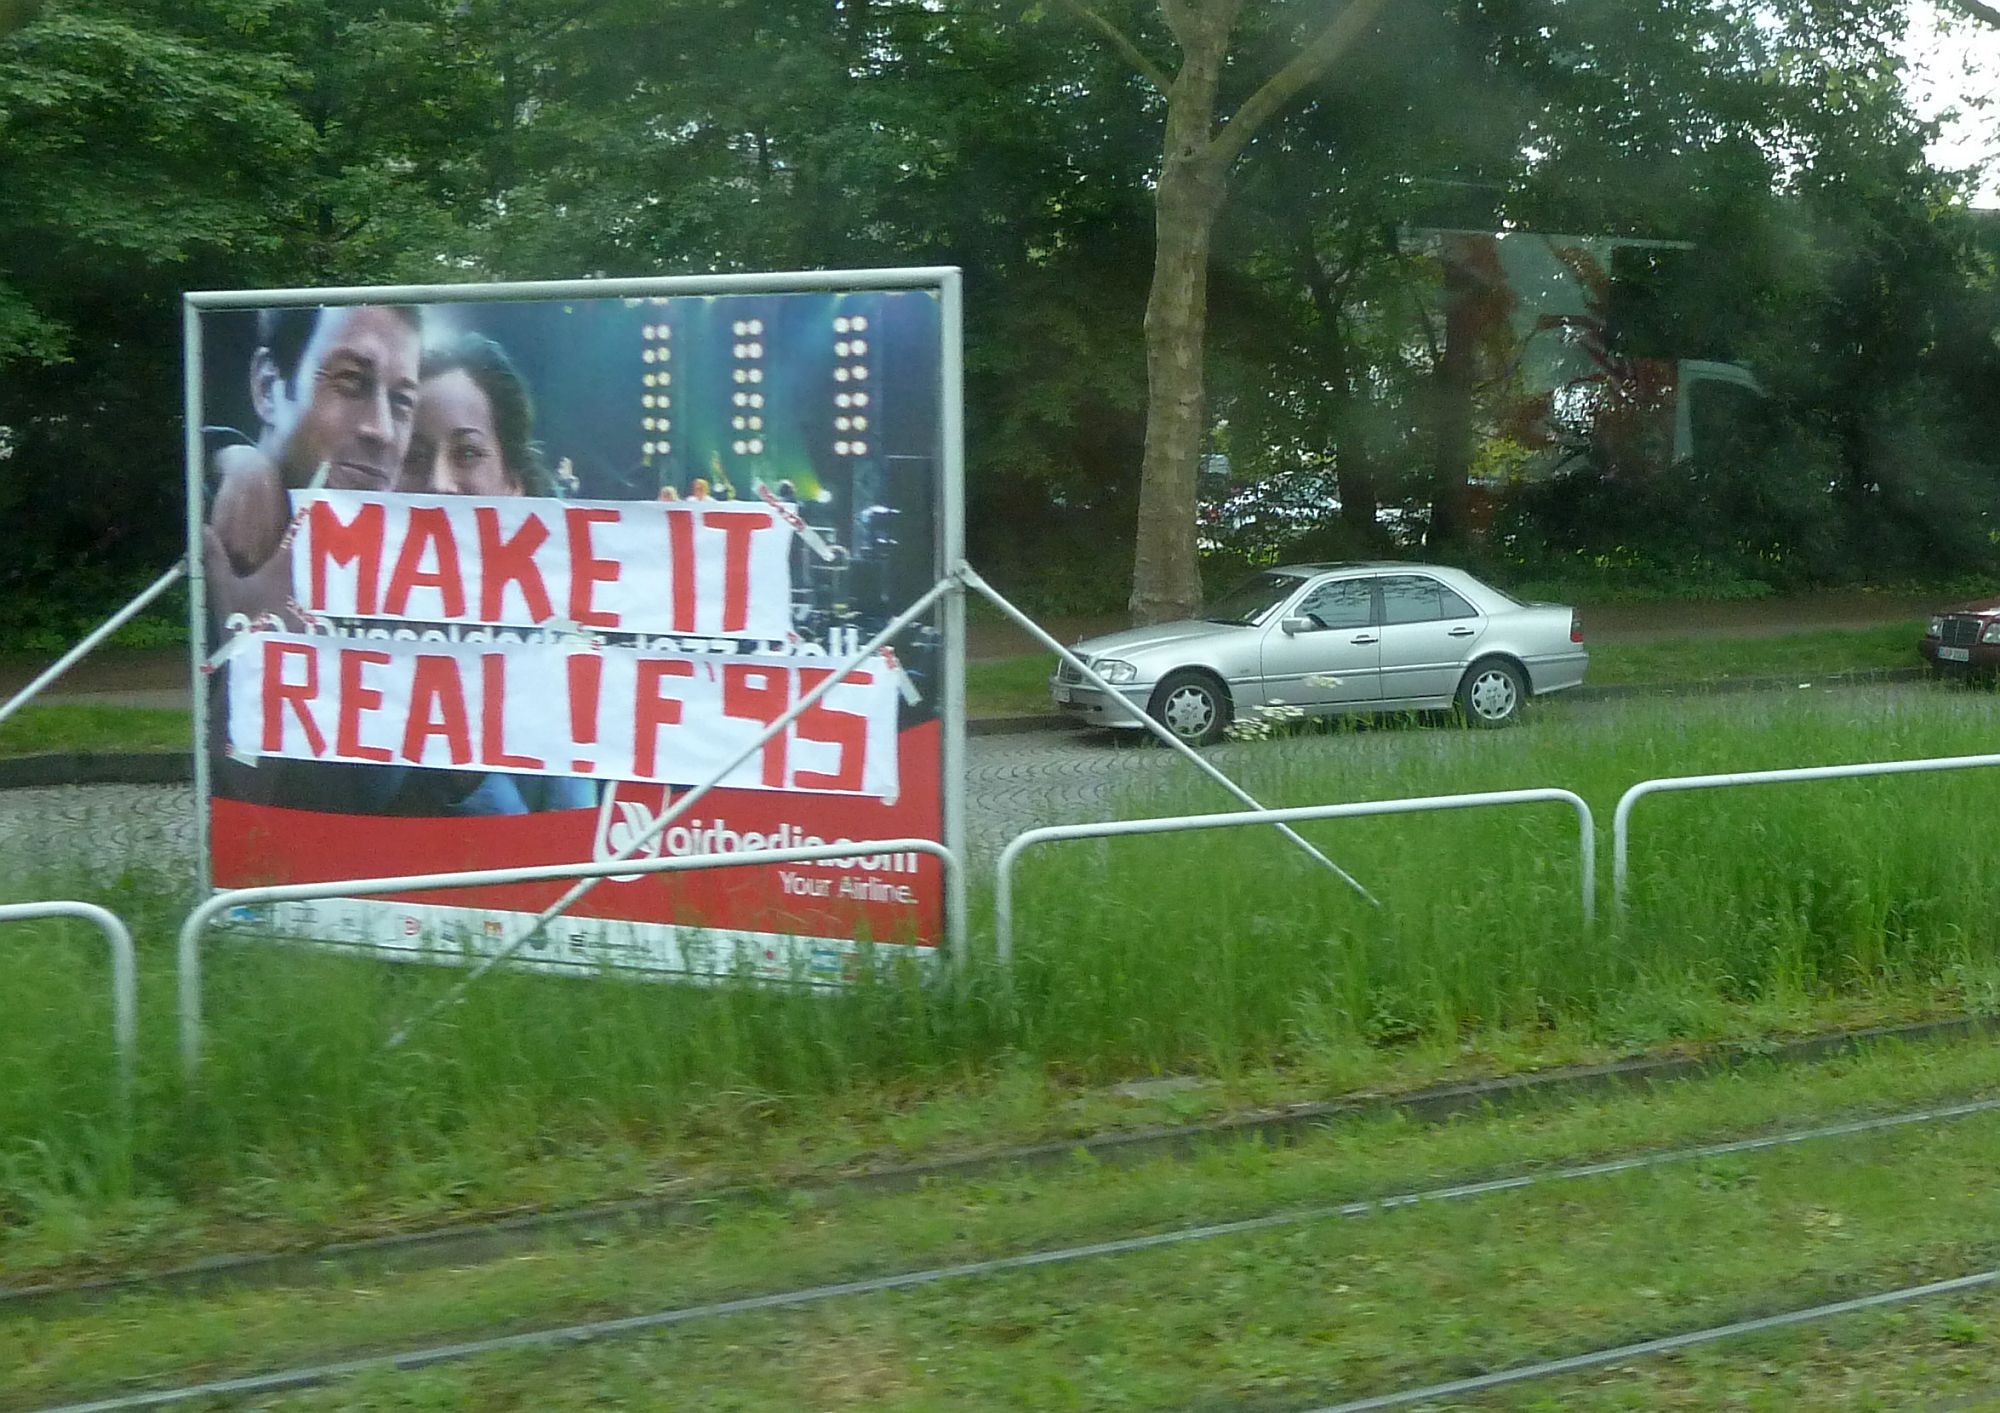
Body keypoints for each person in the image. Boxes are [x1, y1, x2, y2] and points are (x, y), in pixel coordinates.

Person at [202, 305, 425, 814]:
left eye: (403, 402)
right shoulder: (212, 519)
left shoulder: (412, 573)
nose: (382, 431)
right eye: (350, 383)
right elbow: (241, 813)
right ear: (267, 386)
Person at [386, 335, 594, 817]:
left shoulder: (563, 653)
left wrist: (468, 769)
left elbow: (570, 852)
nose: (437, 484)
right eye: (413, 457)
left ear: (513, 482)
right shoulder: (326, 629)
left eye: (467, 453)